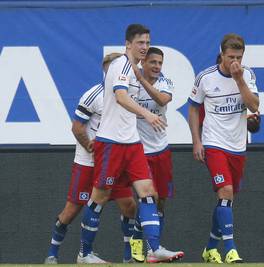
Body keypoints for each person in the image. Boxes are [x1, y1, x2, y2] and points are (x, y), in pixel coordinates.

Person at [76, 24, 183, 264]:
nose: (144, 47)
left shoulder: (134, 69)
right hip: (111, 141)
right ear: (127, 44)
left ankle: (154, 248)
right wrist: (147, 114)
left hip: (132, 142)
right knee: (99, 198)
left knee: (148, 194)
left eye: (147, 42)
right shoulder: (121, 65)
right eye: (140, 43)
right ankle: (85, 253)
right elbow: (121, 96)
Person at [44, 52, 137, 264]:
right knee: (72, 210)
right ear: (106, 70)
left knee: (129, 205)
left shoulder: (127, 95)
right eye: (111, 68)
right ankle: (52, 254)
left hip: (114, 162)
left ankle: (128, 256)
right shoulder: (94, 95)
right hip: (88, 162)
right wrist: (89, 145)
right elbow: (76, 126)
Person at [188, 33, 259, 263]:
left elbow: (254, 105)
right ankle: (230, 249)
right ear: (222, 53)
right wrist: (197, 141)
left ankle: (210, 247)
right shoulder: (205, 78)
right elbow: (193, 109)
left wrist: (239, 80)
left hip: (238, 145)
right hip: (214, 142)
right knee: (225, 192)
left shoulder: (246, 74)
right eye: (230, 57)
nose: (234, 62)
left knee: (226, 200)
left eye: (238, 57)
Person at [128, 47, 184, 262]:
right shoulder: (131, 84)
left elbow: (162, 100)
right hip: (139, 150)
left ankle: (148, 244)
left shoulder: (164, 82)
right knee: (149, 195)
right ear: (143, 62)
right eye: (153, 62)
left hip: (161, 149)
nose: (157, 67)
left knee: (161, 201)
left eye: (160, 63)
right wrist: (139, 80)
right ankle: (148, 244)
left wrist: (142, 80)